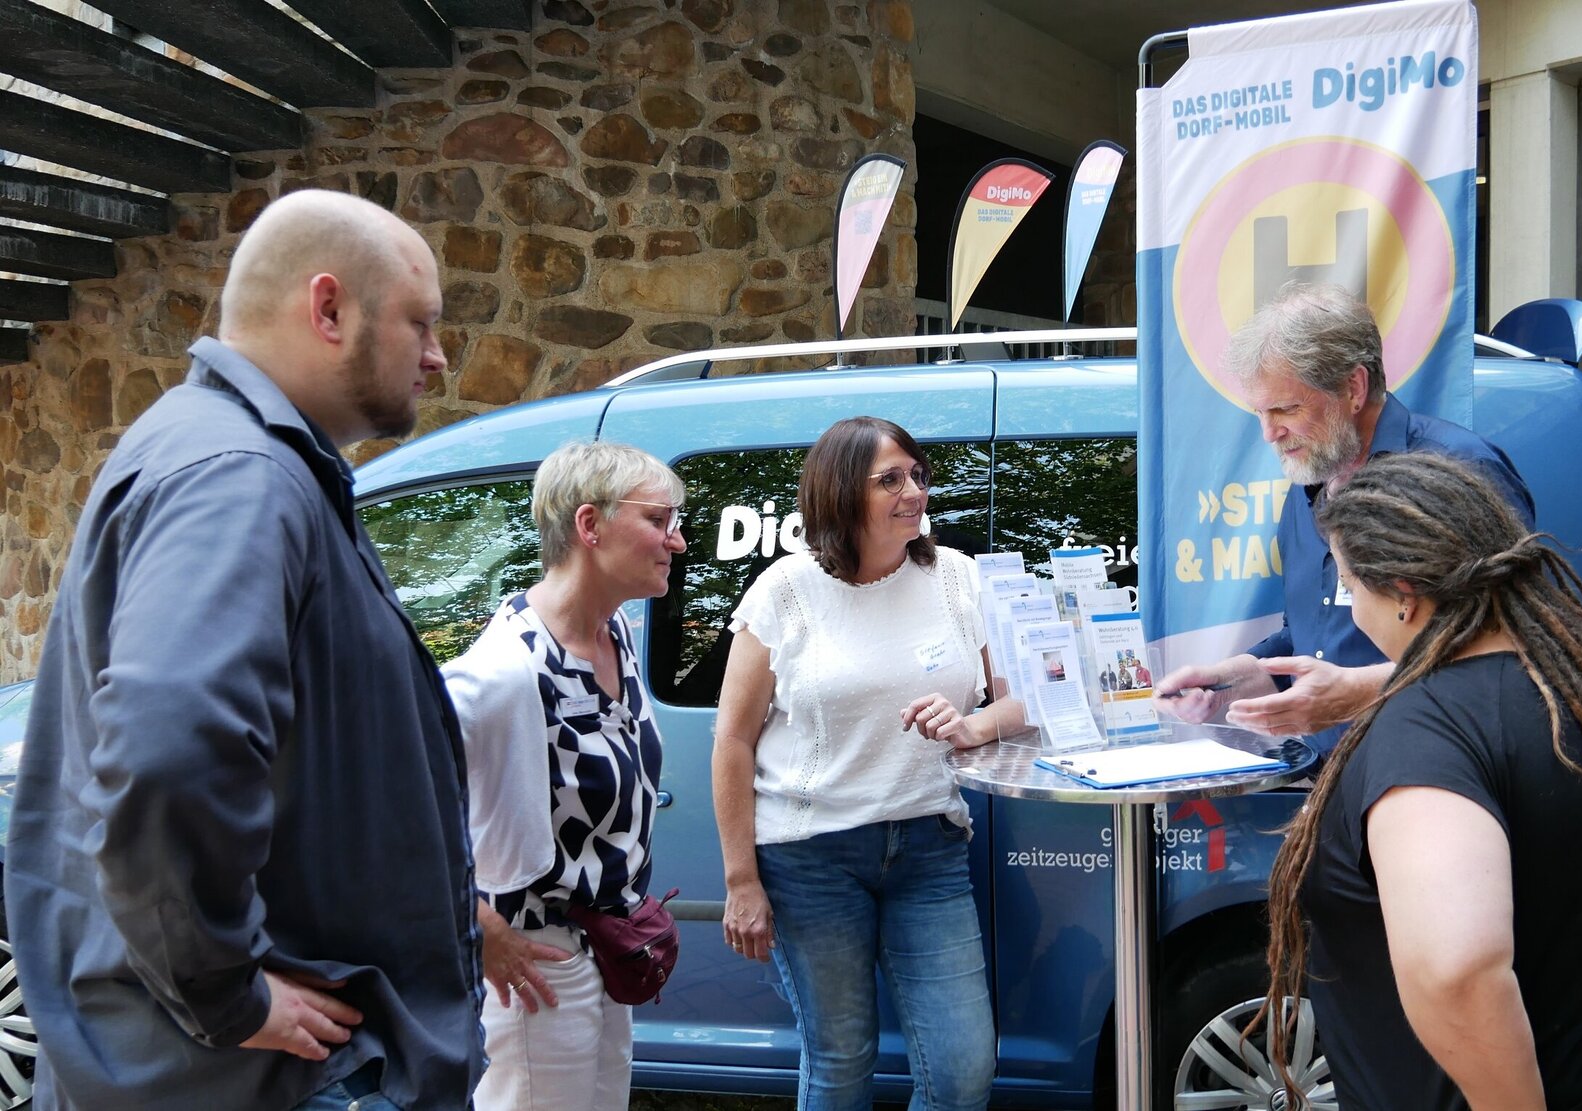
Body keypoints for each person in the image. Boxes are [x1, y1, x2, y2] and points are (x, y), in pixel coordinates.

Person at [4, 190, 482, 1109]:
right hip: (270, 1081)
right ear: (329, 308)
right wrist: (226, 991)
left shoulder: (233, 457)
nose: (438, 354)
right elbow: (169, 748)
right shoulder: (241, 478)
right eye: (421, 323)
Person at [1260, 452, 1582, 1109]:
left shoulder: (1422, 732)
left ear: (1403, 593)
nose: (1351, 609)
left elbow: (1458, 969)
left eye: (1350, 586)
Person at [712, 416, 1023, 1110]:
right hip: (807, 857)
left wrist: (973, 724)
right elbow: (732, 738)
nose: (913, 490)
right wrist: (741, 880)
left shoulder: (956, 578)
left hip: (928, 847)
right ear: (840, 495)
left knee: (964, 1068)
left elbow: (1024, 697)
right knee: (841, 1059)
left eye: (917, 474)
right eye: (891, 479)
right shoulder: (784, 591)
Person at [1155, 284, 1535, 755]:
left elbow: (1514, 649)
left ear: (1353, 388)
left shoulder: (1457, 471)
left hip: (1444, 776)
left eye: (1286, 409)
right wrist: (1232, 681)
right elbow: (1313, 640)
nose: (1270, 433)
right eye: (1259, 412)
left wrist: (1356, 693)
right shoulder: (1308, 484)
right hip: (1335, 786)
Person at [441, 441, 685, 1110]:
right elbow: (383, 796)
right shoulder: (504, 668)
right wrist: (474, 921)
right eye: (660, 519)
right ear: (590, 525)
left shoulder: (615, 632)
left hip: (604, 950)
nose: (679, 539)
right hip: (536, 962)